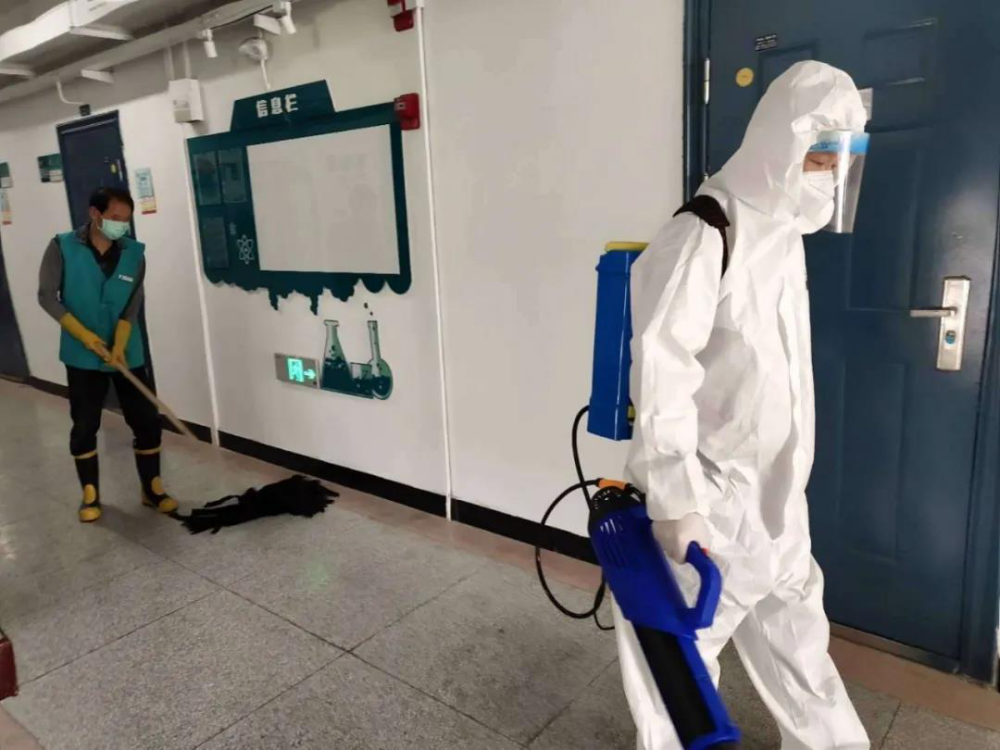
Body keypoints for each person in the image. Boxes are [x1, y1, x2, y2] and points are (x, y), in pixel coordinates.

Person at [618, 61, 871, 749]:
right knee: (678, 666)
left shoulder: (783, 232)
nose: (830, 173)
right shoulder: (706, 230)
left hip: (779, 495)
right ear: (782, 141)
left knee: (799, 642)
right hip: (715, 499)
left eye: (843, 158)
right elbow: (661, 367)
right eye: (820, 155)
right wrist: (675, 500)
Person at [38, 186, 177, 523]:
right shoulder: (62, 247)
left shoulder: (134, 253)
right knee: (85, 423)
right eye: (115, 218)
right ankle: (90, 494)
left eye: (126, 220)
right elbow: (47, 297)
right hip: (82, 354)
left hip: (127, 351)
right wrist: (85, 336)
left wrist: (119, 345)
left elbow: (132, 303)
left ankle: (152, 488)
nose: (121, 226)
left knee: (146, 419)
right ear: (95, 214)